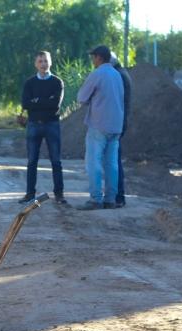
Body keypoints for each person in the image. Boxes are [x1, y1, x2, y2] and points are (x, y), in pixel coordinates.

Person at [76, 45, 125, 210]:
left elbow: (81, 98)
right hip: (116, 126)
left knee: (93, 162)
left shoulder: (97, 74)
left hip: (98, 125)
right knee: (111, 163)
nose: (92, 60)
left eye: (93, 57)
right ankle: (110, 199)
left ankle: (95, 199)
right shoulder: (118, 75)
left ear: (98, 57)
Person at [20, 50, 66, 205]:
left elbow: (55, 105)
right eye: (40, 61)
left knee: (56, 161)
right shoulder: (29, 83)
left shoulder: (57, 82)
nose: (43, 64)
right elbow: (25, 104)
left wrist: (36, 101)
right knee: (32, 161)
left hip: (52, 125)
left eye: (45, 61)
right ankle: (29, 194)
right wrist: (44, 101)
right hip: (33, 125)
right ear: (35, 64)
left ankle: (59, 194)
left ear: (50, 62)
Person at [110, 52, 132, 208]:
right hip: (120, 122)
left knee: (113, 161)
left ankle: (118, 196)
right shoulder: (123, 74)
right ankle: (117, 196)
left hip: (117, 123)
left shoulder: (119, 76)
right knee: (113, 160)